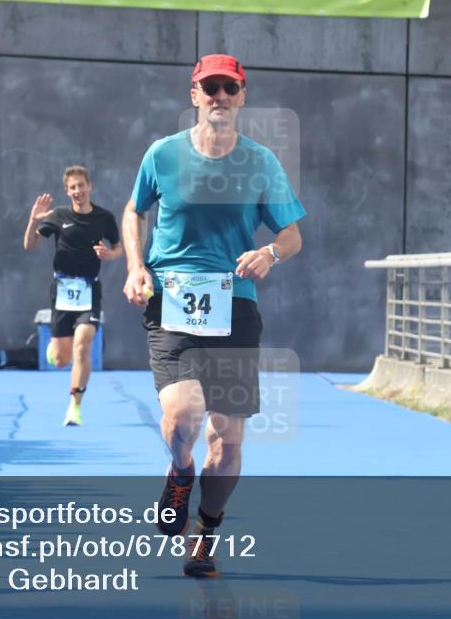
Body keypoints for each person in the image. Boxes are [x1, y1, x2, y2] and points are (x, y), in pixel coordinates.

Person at [122, 54, 305, 578]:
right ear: (194, 95)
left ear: (242, 96)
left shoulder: (261, 162)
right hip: (172, 300)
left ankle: (205, 534)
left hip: (235, 305)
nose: (220, 96)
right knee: (183, 417)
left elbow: (292, 234)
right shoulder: (163, 154)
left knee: (227, 442)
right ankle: (179, 472)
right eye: (210, 87)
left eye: (230, 87)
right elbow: (134, 211)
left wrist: (269, 253)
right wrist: (136, 266)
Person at [23, 165, 121, 426]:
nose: (78, 191)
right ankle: (54, 349)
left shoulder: (104, 218)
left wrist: (109, 255)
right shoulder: (57, 216)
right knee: (61, 359)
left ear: (90, 186)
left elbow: (119, 248)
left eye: (81, 185)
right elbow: (29, 245)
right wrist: (34, 220)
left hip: (90, 290)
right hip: (63, 291)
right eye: (72, 187)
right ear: (67, 191)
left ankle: (75, 405)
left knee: (83, 343)